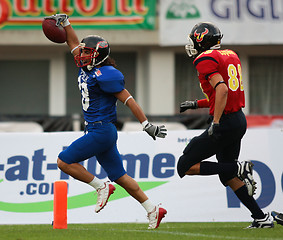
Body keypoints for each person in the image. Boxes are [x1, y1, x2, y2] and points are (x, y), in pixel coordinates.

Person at [44, 14, 167, 229]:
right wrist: (66, 24)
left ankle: (100, 186)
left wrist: (146, 124)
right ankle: (152, 209)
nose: (81, 53)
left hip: (101, 132)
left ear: (98, 56)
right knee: (120, 176)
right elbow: (72, 42)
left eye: (87, 51)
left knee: (64, 161)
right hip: (100, 131)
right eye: (83, 50)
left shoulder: (106, 74)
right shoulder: (86, 66)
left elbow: (128, 100)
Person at [177, 22, 274, 228]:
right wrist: (196, 103)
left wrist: (216, 122)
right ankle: (261, 218)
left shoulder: (204, 58)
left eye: (194, 39)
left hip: (226, 122)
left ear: (201, 40)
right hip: (238, 119)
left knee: (184, 166)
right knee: (228, 176)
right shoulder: (229, 54)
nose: (191, 43)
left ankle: (240, 167)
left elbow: (222, 90)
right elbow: (224, 93)